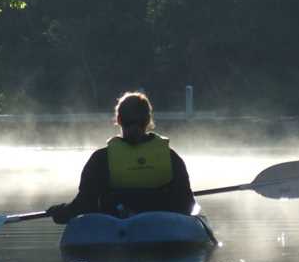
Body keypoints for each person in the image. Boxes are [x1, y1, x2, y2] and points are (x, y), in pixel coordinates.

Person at [46, 91, 195, 224]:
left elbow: (83, 205)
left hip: (114, 229)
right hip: (163, 230)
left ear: (118, 119)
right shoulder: (170, 157)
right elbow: (187, 205)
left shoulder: (101, 159)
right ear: (149, 121)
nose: (134, 127)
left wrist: (61, 212)